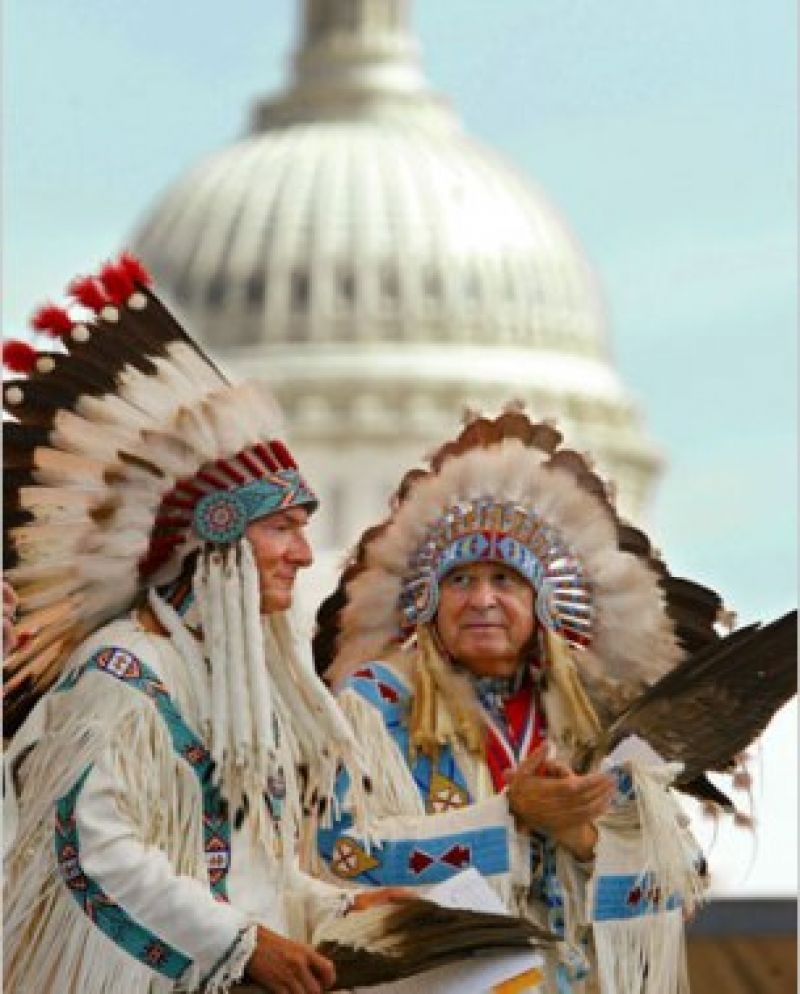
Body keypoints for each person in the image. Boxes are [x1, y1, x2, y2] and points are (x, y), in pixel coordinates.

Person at [2, 255, 403, 994]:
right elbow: (92, 847)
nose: (303, 553)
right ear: (216, 541)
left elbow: (257, 877)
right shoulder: (121, 671)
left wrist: (344, 907)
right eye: (281, 528)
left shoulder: (247, 693)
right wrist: (240, 944)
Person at [311, 410, 710, 994]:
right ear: (428, 602)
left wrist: (583, 837)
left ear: (543, 603)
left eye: (505, 581)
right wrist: (512, 821)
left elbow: (684, 878)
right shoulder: (374, 706)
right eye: (460, 581)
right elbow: (336, 852)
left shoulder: (594, 724)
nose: (482, 600)